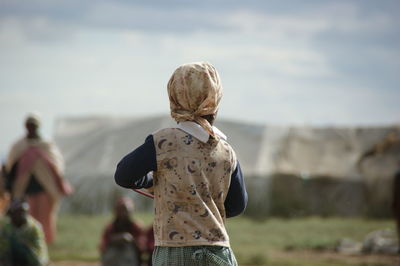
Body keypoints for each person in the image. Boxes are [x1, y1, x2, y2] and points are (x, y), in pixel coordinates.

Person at [115, 62, 248, 265]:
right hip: (219, 253)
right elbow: (237, 205)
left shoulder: (163, 142)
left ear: (175, 97)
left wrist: (152, 180)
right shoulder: (227, 151)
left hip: (174, 254)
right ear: (215, 99)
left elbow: (124, 175)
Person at [3, 113, 73, 243]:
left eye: (34, 126)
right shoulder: (19, 146)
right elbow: (11, 166)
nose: (31, 128)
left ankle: (44, 243)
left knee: (45, 218)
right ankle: (26, 242)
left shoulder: (46, 145)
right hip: (24, 190)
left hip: (44, 189)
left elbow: (57, 165)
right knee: (25, 217)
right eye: (29, 125)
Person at [0, 199, 49, 266]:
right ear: (11, 214)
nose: (21, 214)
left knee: (18, 245)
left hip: (33, 258)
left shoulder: (34, 227)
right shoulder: (6, 226)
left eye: (23, 212)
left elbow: (39, 249)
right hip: (13, 258)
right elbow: (3, 246)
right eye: (17, 212)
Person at [99, 197, 145, 266]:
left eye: (127, 211)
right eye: (122, 210)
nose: (125, 213)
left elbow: (142, 247)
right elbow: (102, 247)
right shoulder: (110, 227)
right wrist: (116, 239)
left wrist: (131, 240)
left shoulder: (136, 227)